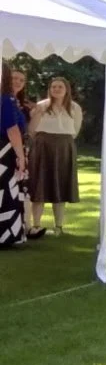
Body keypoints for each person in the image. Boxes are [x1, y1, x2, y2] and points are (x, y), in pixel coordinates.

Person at [28, 76, 84, 236]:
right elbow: (32, 130)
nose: (56, 89)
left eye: (60, 87)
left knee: (60, 186)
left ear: (66, 89)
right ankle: (36, 225)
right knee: (39, 186)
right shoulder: (41, 106)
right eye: (53, 87)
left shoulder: (74, 108)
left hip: (64, 147)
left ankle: (58, 226)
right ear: (49, 89)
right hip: (42, 147)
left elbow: (75, 130)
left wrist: (61, 142)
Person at [0, 62, 31, 250]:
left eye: (21, 80)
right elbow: (12, 130)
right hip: (6, 150)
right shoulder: (7, 100)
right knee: (6, 192)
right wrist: (20, 156)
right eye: (14, 78)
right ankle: (6, 235)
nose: (18, 82)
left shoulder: (13, 101)